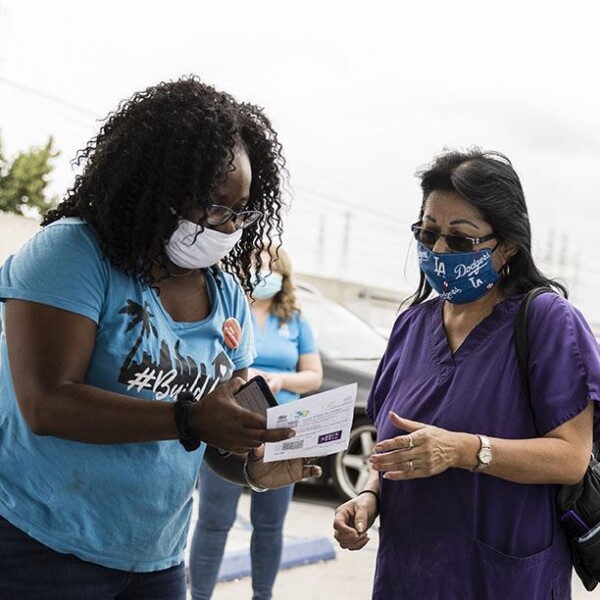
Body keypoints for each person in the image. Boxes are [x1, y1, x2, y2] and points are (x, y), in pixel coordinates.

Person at [0, 76, 322, 600]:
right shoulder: (72, 255)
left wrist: (255, 465)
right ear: (159, 190)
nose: (231, 225)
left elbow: (217, 438)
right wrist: (187, 418)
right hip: (41, 546)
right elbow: (46, 403)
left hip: (156, 559)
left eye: (242, 210)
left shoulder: (227, 295)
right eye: (216, 207)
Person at [333, 148, 600, 599]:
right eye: (428, 233)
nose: (439, 250)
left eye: (460, 240)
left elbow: (571, 458)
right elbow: (392, 448)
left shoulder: (547, 322)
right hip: (409, 574)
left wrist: (465, 451)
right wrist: (369, 498)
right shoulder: (411, 326)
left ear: (507, 246)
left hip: (504, 577)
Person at [189, 245, 323, 600]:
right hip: (230, 425)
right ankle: (199, 595)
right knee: (214, 521)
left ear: (284, 275)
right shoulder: (231, 308)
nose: (263, 272)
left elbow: (313, 375)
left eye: (271, 266)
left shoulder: (294, 319)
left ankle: (262, 595)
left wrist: (280, 381)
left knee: (269, 524)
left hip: (283, 431)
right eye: (256, 264)